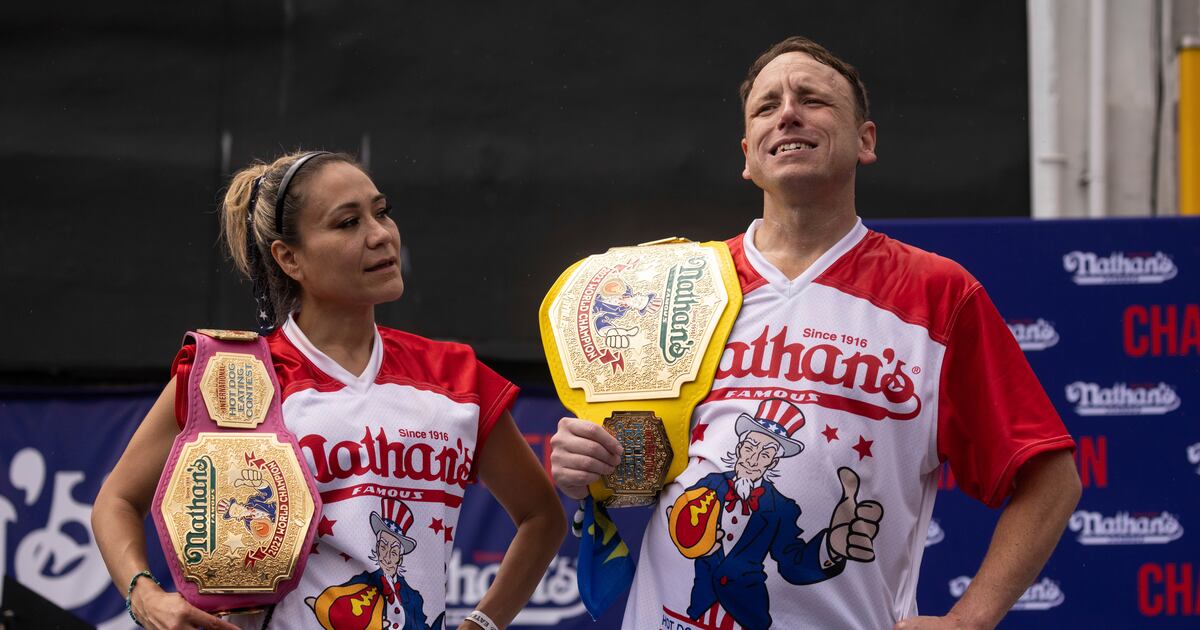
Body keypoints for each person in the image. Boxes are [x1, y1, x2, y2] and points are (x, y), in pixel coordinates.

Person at [550, 37, 1081, 630]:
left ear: (866, 141)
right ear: (748, 155)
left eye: (812, 99)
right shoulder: (678, 287)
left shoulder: (939, 295)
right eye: (766, 106)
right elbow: (632, 476)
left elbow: (1051, 479)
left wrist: (969, 620)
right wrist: (585, 463)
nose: (788, 113)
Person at [93, 150, 566, 630]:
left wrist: (481, 625)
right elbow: (116, 501)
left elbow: (542, 517)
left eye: (381, 212)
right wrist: (144, 597)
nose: (381, 235)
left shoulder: (454, 377)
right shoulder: (229, 375)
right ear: (289, 257)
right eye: (347, 223)